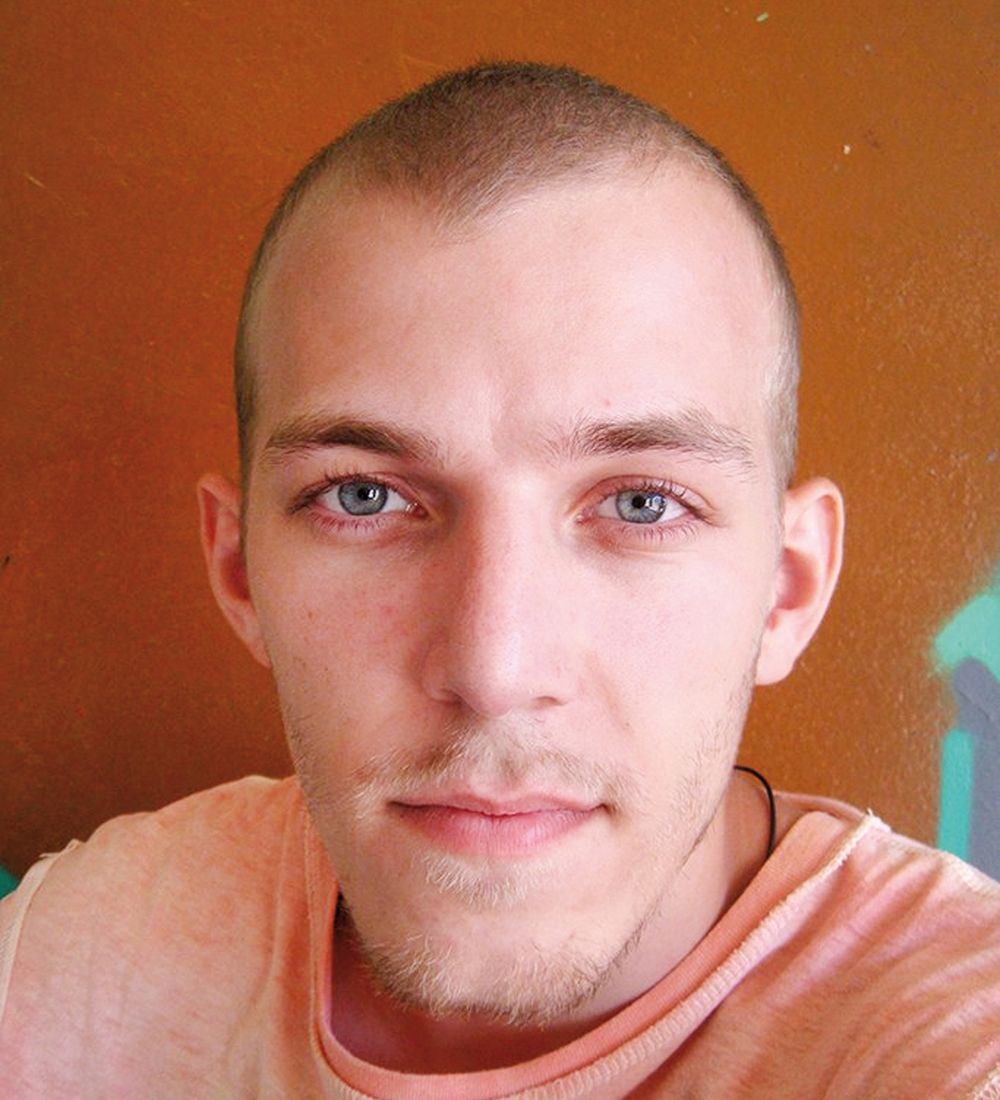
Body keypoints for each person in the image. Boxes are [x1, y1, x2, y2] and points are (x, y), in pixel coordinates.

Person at [1, 61, 997, 1099]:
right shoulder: (79, 960)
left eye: (641, 503)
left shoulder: (943, 1047)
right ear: (239, 568)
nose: (494, 668)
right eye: (363, 497)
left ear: (786, 590)